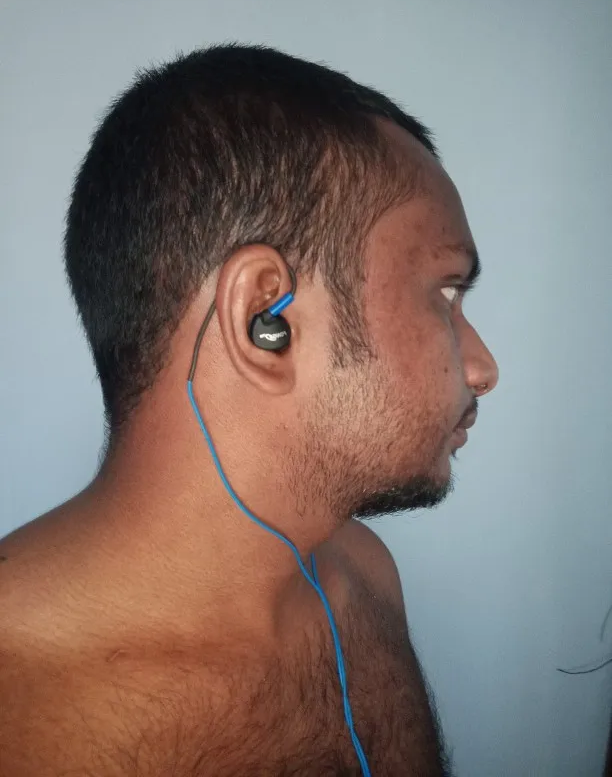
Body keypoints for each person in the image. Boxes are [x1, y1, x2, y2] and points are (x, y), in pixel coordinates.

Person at [0, 44, 498, 776]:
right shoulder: (22, 717)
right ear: (267, 320)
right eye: (446, 293)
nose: (483, 368)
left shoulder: (363, 575)